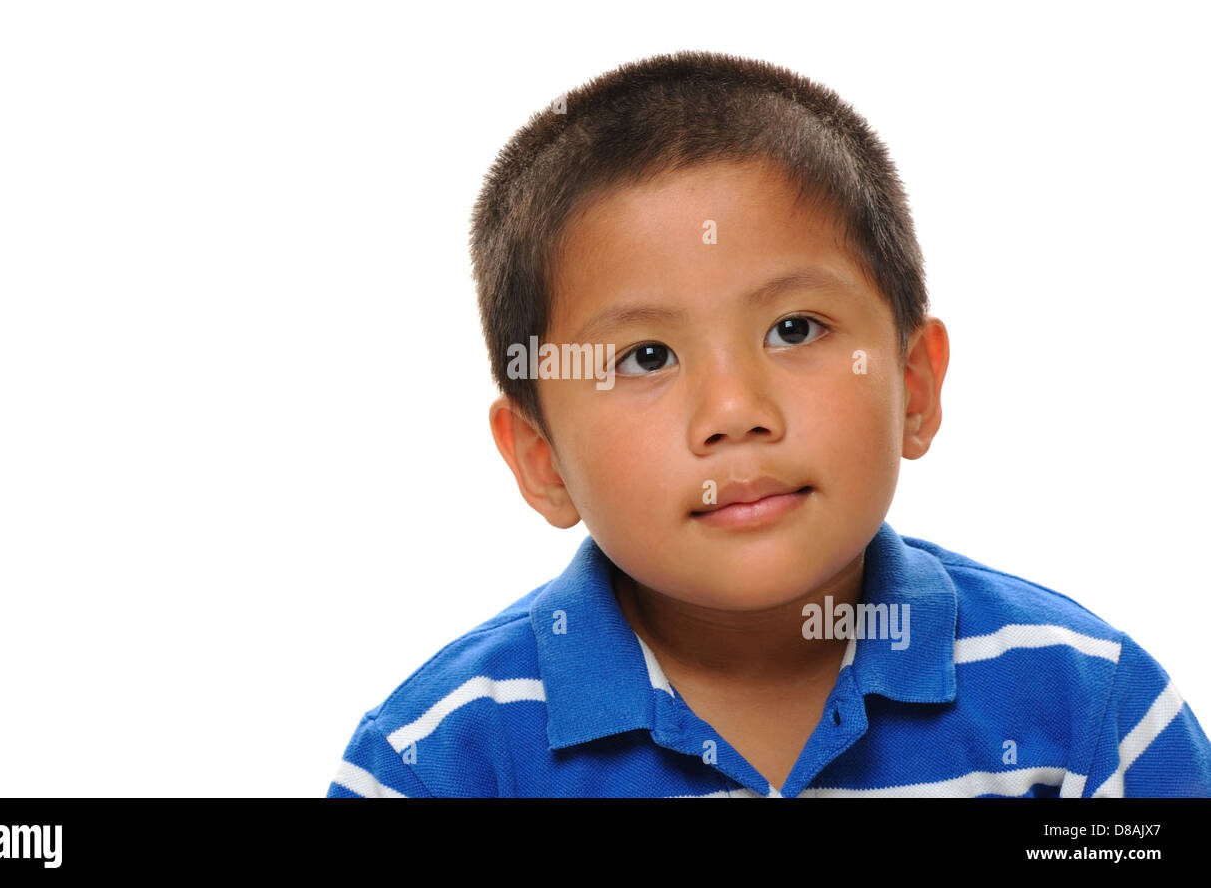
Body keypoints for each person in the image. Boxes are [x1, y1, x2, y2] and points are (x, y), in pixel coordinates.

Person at [326, 51, 1211, 797]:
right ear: (541, 459)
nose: (735, 412)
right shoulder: (436, 765)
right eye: (645, 356)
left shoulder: (1090, 715)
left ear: (913, 386)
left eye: (794, 329)